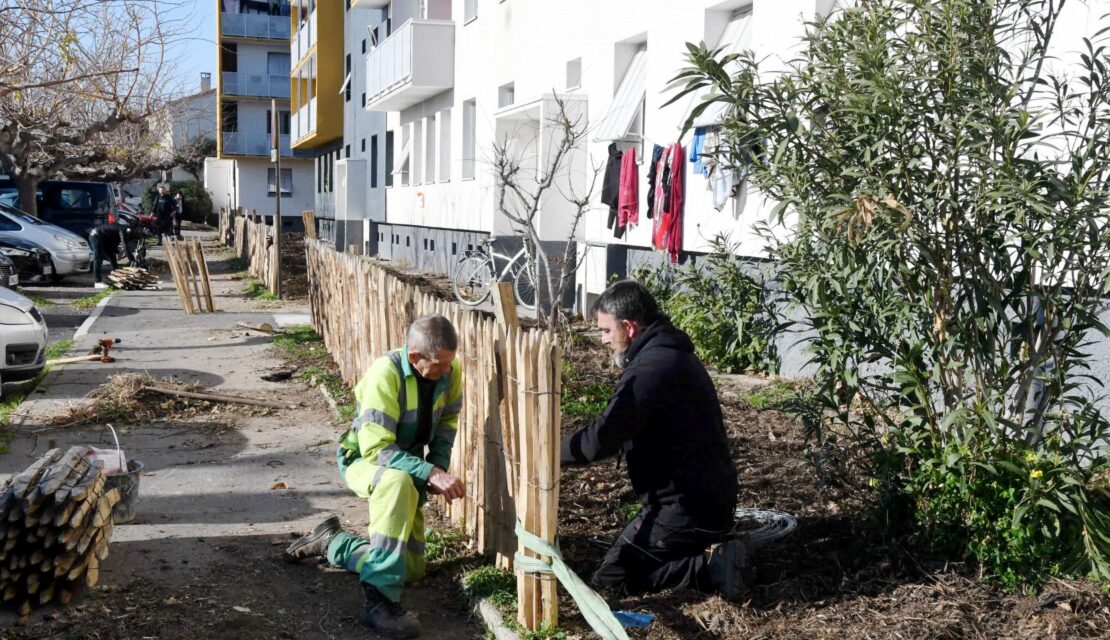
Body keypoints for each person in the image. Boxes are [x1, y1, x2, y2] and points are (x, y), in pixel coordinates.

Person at [561, 280, 747, 599]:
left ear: (629, 327)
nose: (602, 339)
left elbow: (600, 440)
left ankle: (708, 567)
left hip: (688, 509)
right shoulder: (665, 355)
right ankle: (699, 550)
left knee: (609, 580)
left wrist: (549, 450)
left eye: (606, 330)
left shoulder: (652, 368)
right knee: (631, 558)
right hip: (702, 499)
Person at [286, 314, 465, 639]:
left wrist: (436, 466)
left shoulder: (451, 372)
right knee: (395, 481)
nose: (447, 371)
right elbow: (377, 450)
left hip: (407, 465)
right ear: (415, 357)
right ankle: (378, 603)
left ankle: (333, 541)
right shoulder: (386, 373)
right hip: (365, 460)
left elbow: (448, 426)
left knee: (410, 569)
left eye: (450, 363)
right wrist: (429, 472)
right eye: (439, 364)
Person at [88, 222, 134, 290]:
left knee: (112, 256)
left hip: (105, 238)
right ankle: (97, 282)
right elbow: (125, 245)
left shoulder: (120, 231)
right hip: (96, 236)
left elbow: (113, 243)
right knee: (98, 258)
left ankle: (116, 277)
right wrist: (132, 259)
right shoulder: (122, 230)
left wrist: (117, 252)